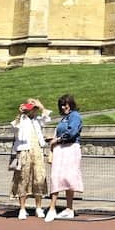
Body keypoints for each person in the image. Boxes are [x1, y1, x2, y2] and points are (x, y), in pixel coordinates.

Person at [45, 93, 84, 221]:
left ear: (70, 104)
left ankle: (66, 208)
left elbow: (72, 132)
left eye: (65, 104)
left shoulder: (75, 115)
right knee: (56, 177)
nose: (63, 107)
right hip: (61, 149)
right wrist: (54, 139)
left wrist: (58, 139)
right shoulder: (65, 118)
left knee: (68, 178)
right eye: (61, 105)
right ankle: (55, 208)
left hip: (70, 148)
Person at [10, 98, 49, 219]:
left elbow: (46, 119)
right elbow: (14, 128)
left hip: (37, 150)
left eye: (34, 108)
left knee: (39, 178)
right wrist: (20, 114)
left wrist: (41, 107)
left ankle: (38, 207)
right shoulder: (22, 119)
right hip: (24, 150)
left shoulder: (37, 120)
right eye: (32, 108)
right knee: (23, 178)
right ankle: (22, 208)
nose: (33, 110)